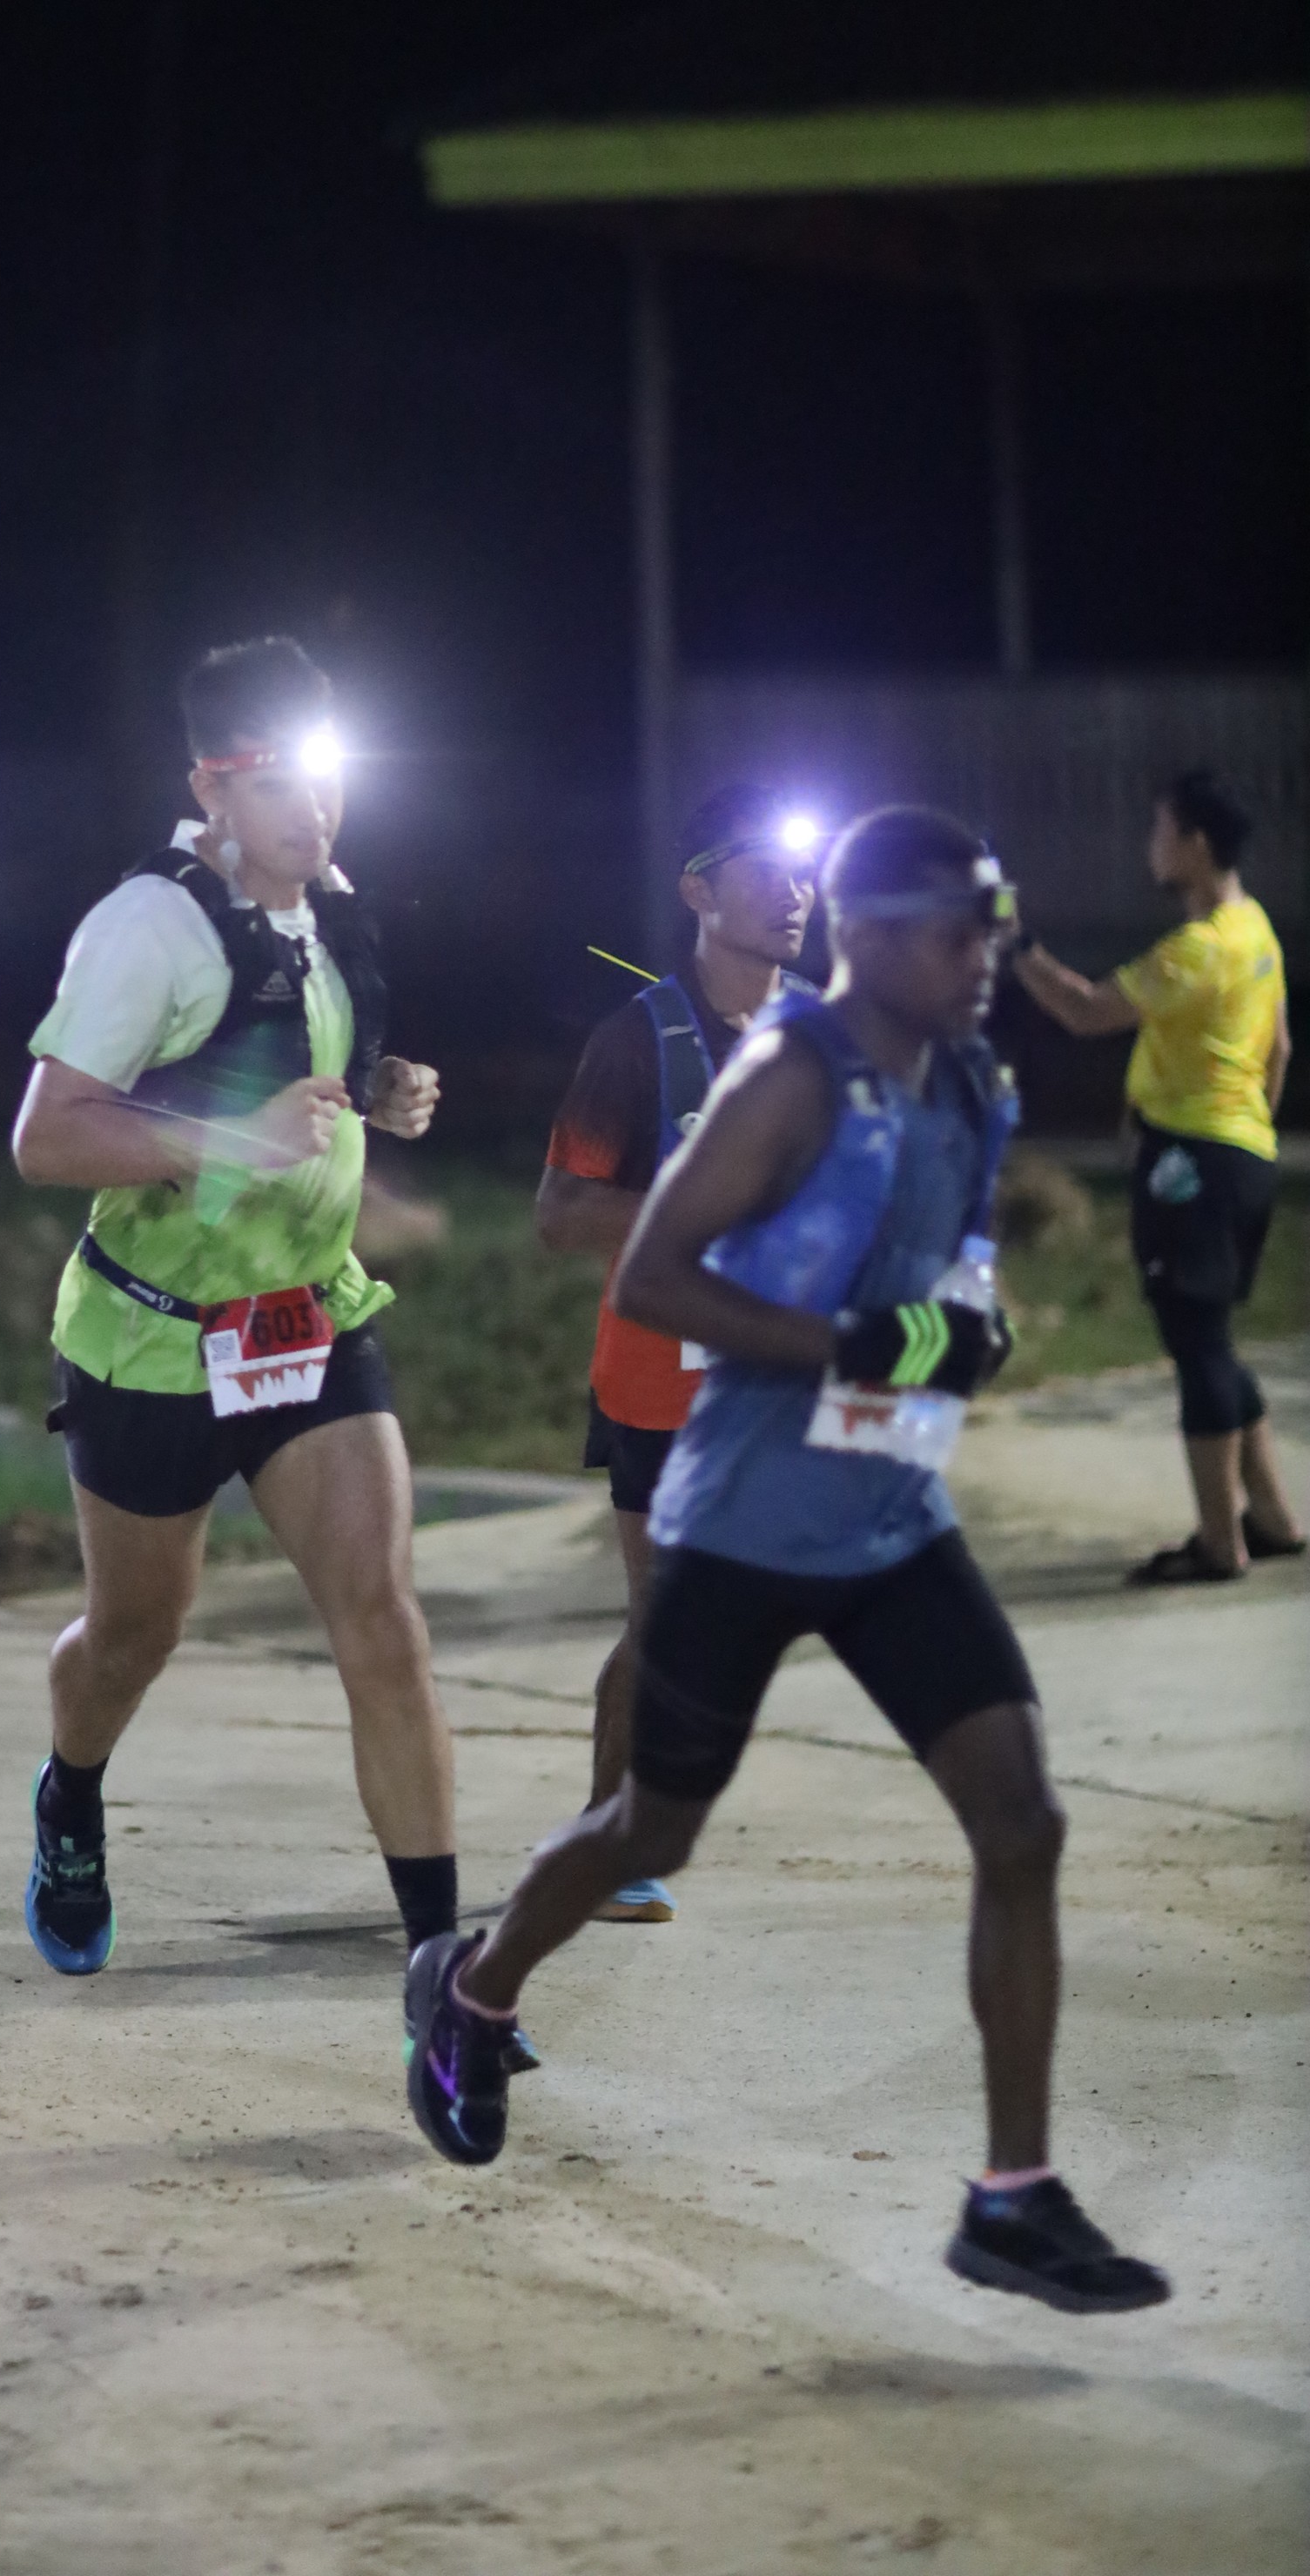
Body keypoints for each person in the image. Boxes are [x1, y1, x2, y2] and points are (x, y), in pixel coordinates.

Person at [401, 807, 1170, 2318]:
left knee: (1023, 1822)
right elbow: (647, 1273)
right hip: (742, 1522)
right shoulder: (786, 1076)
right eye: (956, 933)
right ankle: (472, 1992)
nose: (985, 958)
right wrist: (850, 1342)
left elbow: (956, 1256)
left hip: (889, 1517)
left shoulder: (973, 1080)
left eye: (994, 931)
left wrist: (972, 1321)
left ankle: (1012, 2197)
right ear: (872, 939)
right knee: (651, 1831)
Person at [11, 636, 454, 1977]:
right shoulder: (147, 927)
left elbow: (296, 1070)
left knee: (383, 1621)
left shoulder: (328, 903)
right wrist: (227, 1141)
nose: (316, 811)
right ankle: (71, 1794)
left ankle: (445, 1974)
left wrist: (377, 1093)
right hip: (157, 1339)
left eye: (330, 775)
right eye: (278, 785)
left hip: (310, 1321)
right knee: (134, 1637)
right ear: (211, 785)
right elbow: (47, 1138)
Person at [537, 782, 816, 1915]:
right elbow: (561, 1212)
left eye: (808, 870)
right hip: (661, 1375)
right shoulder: (637, 1040)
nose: (798, 892)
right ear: (699, 891)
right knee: (665, 1612)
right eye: (770, 868)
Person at [1011, 767, 1299, 1583]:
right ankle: (1272, 1518)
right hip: (1244, 1155)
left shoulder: (1194, 951)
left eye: (1161, 830)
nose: (1152, 846)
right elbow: (1278, 1049)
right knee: (1213, 1338)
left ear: (1195, 844)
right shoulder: (1256, 932)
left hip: (1190, 1163)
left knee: (1195, 1345)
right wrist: (1247, 1135)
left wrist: (1015, 944)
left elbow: (1083, 1010)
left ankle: (1219, 1543)